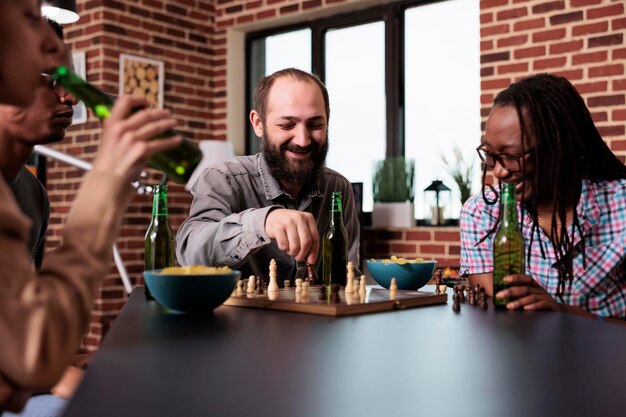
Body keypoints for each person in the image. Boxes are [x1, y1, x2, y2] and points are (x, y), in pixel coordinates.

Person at [0, 0, 182, 412]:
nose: (69, 96)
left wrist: (63, 361)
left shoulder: (31, 195)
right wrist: (109, 178)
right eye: (50, 79)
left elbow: (25, 326)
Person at [460, 73, 626, 322]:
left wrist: (564, 313)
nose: (498, 171)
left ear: (559, 146)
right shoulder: (482, 213)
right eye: (492, 156)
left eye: (512, 156)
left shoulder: (620, 204)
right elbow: (500, 317)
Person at [177, 68, 360, 281]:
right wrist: (263, 222)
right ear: (258, 123)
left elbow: (347, 277)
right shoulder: (223, 178)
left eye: (315, 125)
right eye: (286, 125)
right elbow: (190, 251)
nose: (302, 140)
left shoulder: (338, 188)